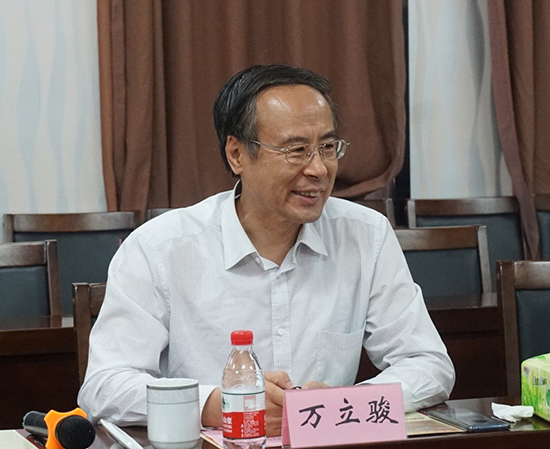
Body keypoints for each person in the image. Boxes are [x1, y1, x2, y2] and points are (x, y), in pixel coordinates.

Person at [78, 64, 454, 436]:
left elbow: (428, 363)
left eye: (327, 147)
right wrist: (217, 405)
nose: (319, 169)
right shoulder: (159, 249)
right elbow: (105, 387)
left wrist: (343, 406)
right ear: (237, 154)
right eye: (296, 150)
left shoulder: (365, 236)